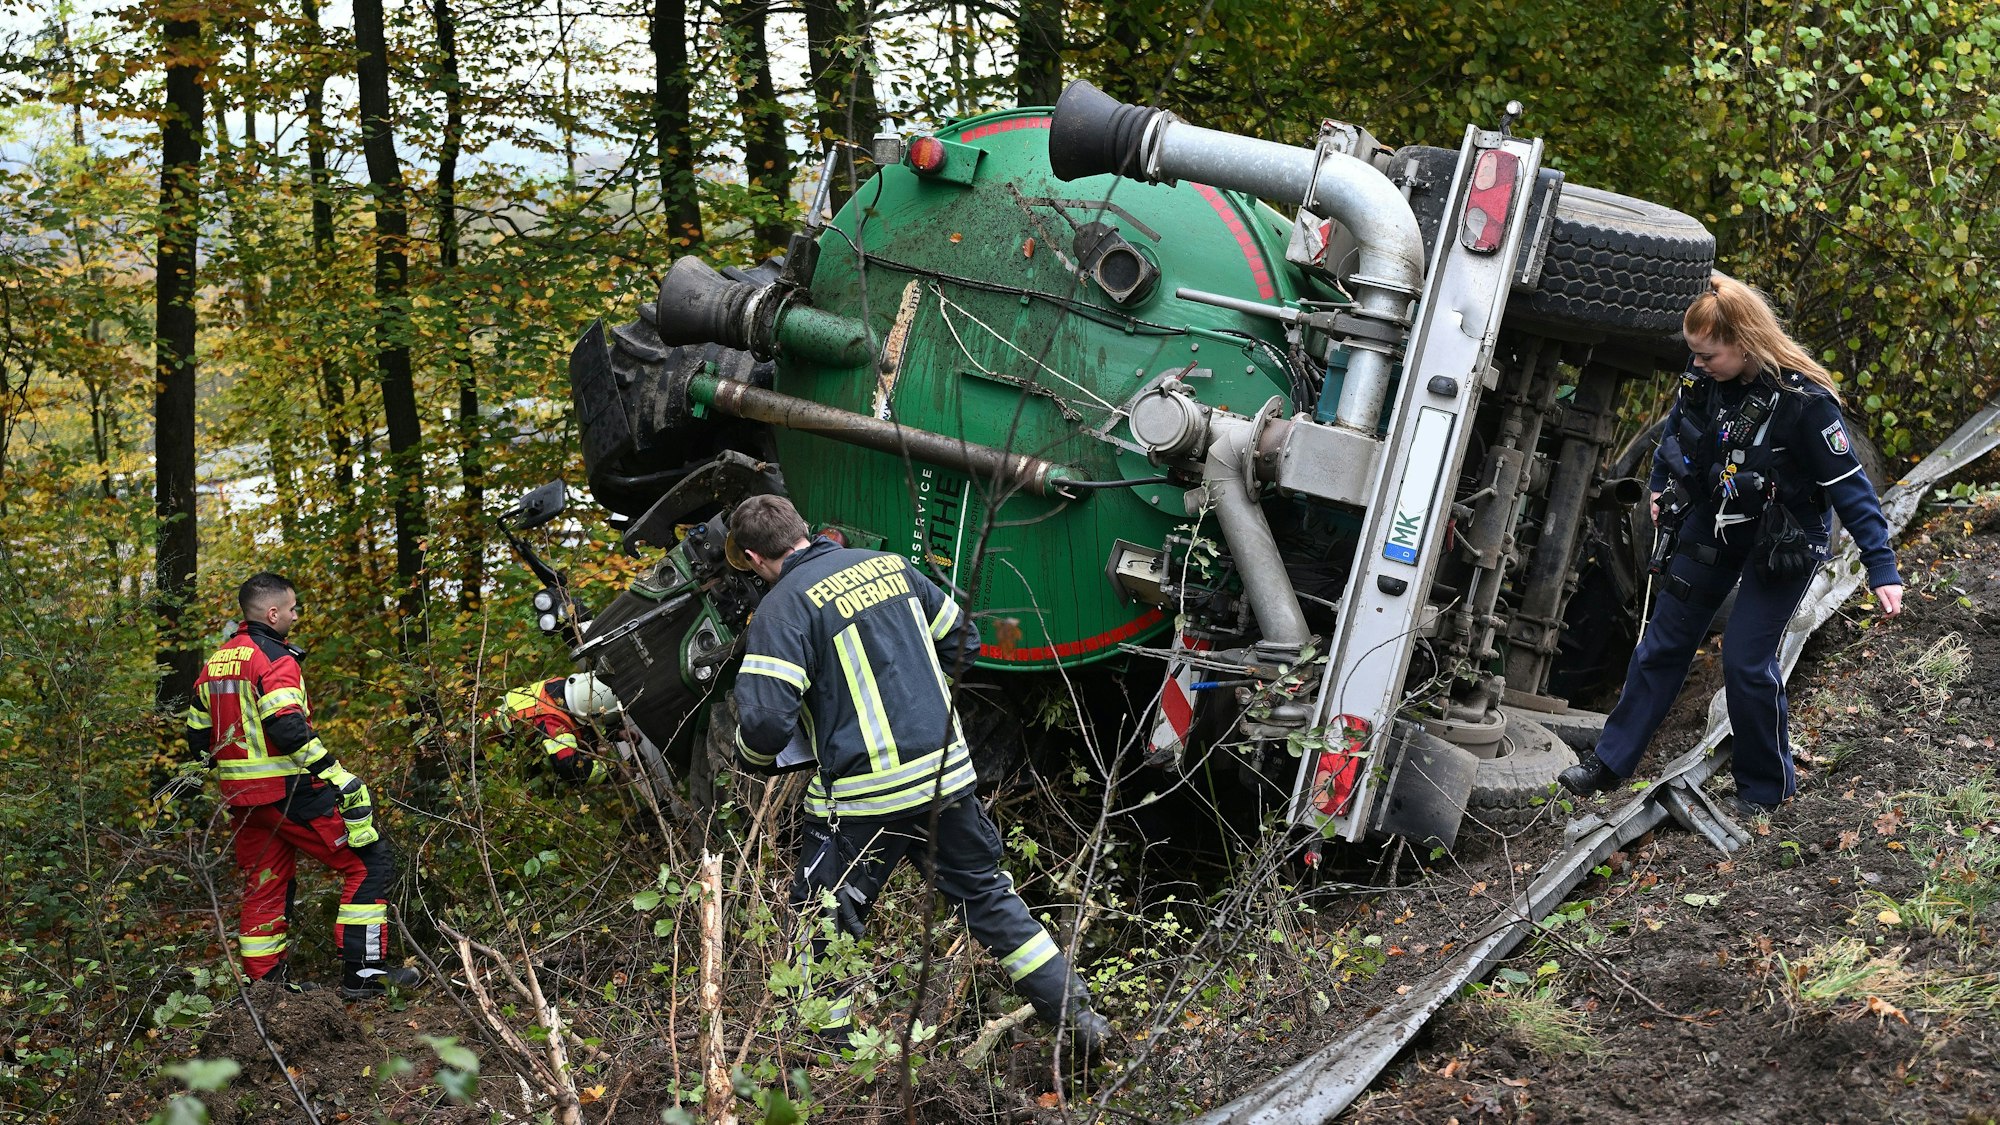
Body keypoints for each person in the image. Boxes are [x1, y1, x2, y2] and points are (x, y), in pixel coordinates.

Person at [727, 494, 1111, 1058]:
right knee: (988, 898)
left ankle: (831, 1060)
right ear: (803, 529)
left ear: (754, 558)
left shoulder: (781, 609)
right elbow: (966, 641)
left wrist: (752, 759)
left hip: (864, 800)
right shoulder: (890, 567)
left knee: (822, 922)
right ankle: (1080, 1020)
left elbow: (764, 725)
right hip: (944, 778)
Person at [1560, 274, 1904, 817]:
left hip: (1784, 537)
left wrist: (1882, 567)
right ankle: (1608, 762)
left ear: (1745, 343)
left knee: (1745, 660)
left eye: (1708, 355)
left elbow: (1851, 489)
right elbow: (1674, 436)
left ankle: (1765, 790)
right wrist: (1658, 488)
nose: (1698, 364)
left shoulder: (1805, 404)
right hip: (1712, 522)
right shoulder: (1703, 381)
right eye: (1693, 353)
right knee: (1663, 643)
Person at [183, 573, 422, 998]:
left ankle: (266, 987)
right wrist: (335, 773)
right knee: (368, 862)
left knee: (266, 882)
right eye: (293, 609)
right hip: (289, 791)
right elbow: (287, 727)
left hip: (242, 801)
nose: (296, 616)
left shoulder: (214, 663)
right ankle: (364, 973)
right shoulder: (274, 658)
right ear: (273, 613)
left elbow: (198, 739)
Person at [498, 672, 621, 785]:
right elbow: (569, 768)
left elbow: (584, 722)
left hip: (497, 709)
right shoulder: (555, 726)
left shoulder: (562, 687)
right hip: (495, 744)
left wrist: (617, 732)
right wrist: (613, 774)